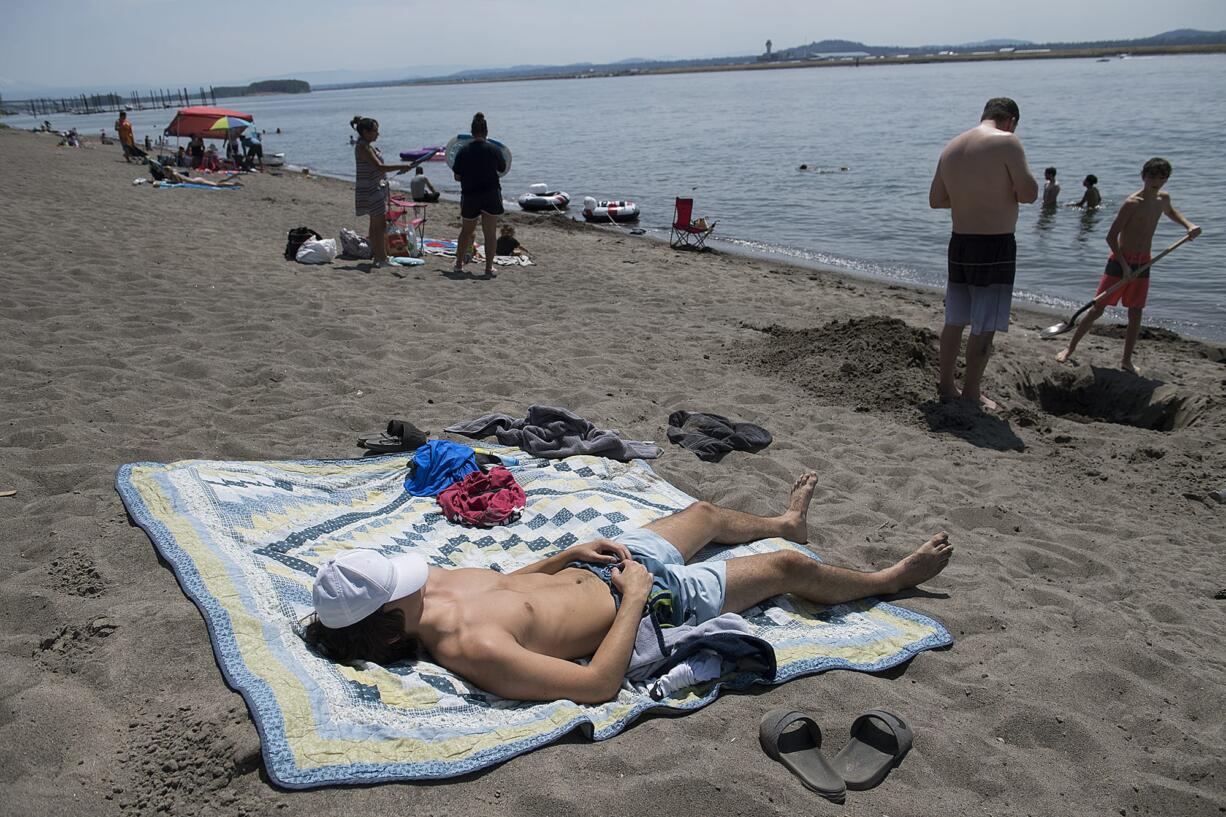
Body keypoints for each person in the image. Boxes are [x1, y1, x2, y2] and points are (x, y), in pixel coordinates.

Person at [304, 473, 953, 704]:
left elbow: (507, 583)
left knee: (701, 512)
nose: (412, 572)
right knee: (783, 568)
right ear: (390, 611)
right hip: (646, 601)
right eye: (398, 582)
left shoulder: (435, 590)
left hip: (603, 566)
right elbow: (596, 685)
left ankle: (785, 519)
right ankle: (888, 580)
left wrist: (567, 552)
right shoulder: (472, 648)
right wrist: (638, 595)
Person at [929, 97, 1038, 411]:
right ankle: (971, 392)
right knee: (984, 325)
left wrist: (969, 197)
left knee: (955, 320)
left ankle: (947, 385)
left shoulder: (952, 146)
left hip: (960, 242)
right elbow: (1029, 193)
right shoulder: (1007, 142)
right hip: (994, 244)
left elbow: (936, 199)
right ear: (1011, 121)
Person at [1056, 158, 1200, 374]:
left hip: (1144, 262)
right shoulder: (1133, 203)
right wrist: (1124, 266)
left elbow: (1170, 212)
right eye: (1152, 176)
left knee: (1135, 312)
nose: (1156, 181)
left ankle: (1126, 360)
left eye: (1162, 177)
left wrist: (1189, 226)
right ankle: (1070, 348)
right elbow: (1111, 237)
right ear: (1143, 176)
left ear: (1166, 179)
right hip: (1120, 261)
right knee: (1098, 309)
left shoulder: (1163, 199)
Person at [350, 115, 418, 269]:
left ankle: (380, 257)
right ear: (366, 132)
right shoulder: (363, 147)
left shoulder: (367, 145)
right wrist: (401, 167)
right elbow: (379, 167)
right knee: (378, 226)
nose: (377, 134)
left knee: (376, 225)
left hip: (375, 188)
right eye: (375, 131)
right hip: (370, 190)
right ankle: (381, 259)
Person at [452, 112, 506, 276]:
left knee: (466, 231)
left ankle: (459, 265)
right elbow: (502, 169)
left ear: (472, 132)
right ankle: (488, 268)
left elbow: (457, 176)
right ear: (486, 131)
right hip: (491, 193)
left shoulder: (463, 150)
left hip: (470, 195)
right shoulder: (494, 149)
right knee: (489, 233)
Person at [151, 161, 241, 187]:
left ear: (168, 172)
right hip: (196, 180)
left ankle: (233, 183)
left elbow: (179, 183)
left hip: (197, 182)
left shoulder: (174, 175)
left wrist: (168, 182)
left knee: (217, 184)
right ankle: (232, 178)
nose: (164, 175)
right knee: (216, 182)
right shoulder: (174, 173)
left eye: (165, 173)